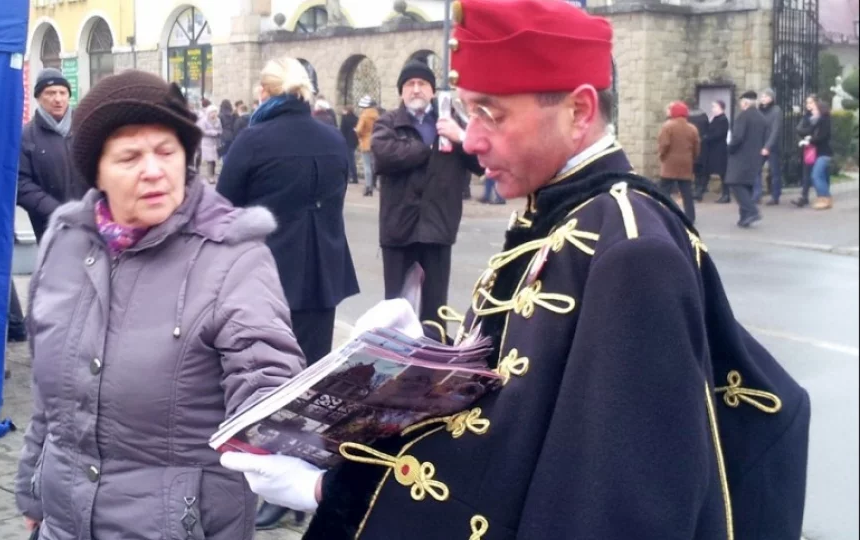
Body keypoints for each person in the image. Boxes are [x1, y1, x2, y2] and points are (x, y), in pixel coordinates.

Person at [220, 2, 810, 539]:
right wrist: (416, 371)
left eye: (491, 114)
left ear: (578, 110)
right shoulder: (558, 216)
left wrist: (333, 492)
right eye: (467, 110)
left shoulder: (633, 252)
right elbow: (515, 420)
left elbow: (613, 507)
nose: (471, 139)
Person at [12, 70, 304, 540]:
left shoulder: (233, 256)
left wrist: (312, 416)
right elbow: (48, 396)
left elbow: (266, 377)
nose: (153, 169)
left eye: (166, 151)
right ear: (97, 171)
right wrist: (33, 489)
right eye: (129, 156)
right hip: (63, 522)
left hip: (176, 525)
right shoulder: (63, 244)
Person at [216, 57, 360, 530]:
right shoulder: (331, 137)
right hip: (324, 273)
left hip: (269, 274)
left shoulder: (254, 139)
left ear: (265, 92)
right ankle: (309, 479)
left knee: (271, 383)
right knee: (312, 384)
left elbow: (224, 205)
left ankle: (280, 486)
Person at [371, 59, 484, 339]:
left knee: (435, 313)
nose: (416, 89)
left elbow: (482, 163)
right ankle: (394, 368)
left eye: (423, 84)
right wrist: (429, 147)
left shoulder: (452, 121)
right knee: (396, 310)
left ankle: (432, 371)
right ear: (401, 92)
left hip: (437, 228)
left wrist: (461, 138)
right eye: (410, 84)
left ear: (433, 91)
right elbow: (385, 155)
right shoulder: (388, 122)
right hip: (398, 229)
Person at [17, 68, 87, 242]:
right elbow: (22, 184)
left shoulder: (86, 127)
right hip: (50, 225)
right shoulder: (26, 136)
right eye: (50, 93)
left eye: (62, 93)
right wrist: (56, 210)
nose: (58, 99)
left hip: (89, 219)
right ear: (39, 97)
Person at [725, 91, 768, 228]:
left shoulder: (743, 116)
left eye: (741, 104)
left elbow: (737, 137)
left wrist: (729, 148)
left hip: (740, 157)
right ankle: (744, 218)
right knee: (746, 185)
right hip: (755, 157)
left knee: (735, 183)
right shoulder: (761, 118)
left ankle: (752, 211)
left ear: (745, 103)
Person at [657, 100, 700, 223]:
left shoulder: (668, 126)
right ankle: (690, 217)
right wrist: (692, 158)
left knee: (664, 190)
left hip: (670, 163)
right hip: (686, 163)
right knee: (686, 192)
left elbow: (664, 144)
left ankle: (663, 213)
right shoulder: (692, 128)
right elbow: (696, 147)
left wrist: (662, 156)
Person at [806, 98, 834, 210]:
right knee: (822, 176)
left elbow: (822, 137)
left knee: (816, 176)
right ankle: (824, 198)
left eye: (815, 108)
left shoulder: (824, 121)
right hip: (822, 152)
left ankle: (824, 197)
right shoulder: (820, 120)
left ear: (820, 110)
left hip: (824, 153)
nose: (812, 110)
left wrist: (810, 140)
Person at [792, 94, 819, 208]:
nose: (808, 105)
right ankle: (804, 197)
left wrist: (807, 134)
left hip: (817, 147)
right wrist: (802, 139)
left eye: (811, 102)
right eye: (807, 103)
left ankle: (822, 196)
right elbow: (798, 130)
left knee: (817, 174)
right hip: (807, 148)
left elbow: (818, 132)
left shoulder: (820, 116)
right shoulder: (806, 117)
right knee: (806, 173)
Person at [757, 88, 783, 205]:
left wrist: (767, 146)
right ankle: (756, 195)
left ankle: (775, 196)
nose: (763, 99)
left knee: (774, 172)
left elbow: (775, 130)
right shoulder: (759, 111)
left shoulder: (776, 110)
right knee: (755, 170)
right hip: (759, 145)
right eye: (762, 96)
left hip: (771, 146)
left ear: (772, 98)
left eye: (766, 96)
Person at [704, 100, 731, 203]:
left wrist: (707, 137)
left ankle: (726, 194)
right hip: (713, 150)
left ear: (721, 108)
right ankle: (701, 190)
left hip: (720, 150)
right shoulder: (715, 119)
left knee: (722, 173)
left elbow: (718, 133)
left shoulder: (723, 119)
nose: (712, 109)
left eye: (714, 107)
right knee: (708, 171)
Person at [355, 95, 380, 196]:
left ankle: (368, 187)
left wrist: (359, 135)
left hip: (366, 142)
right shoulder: (377, 115)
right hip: (376, 141)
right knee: (375, 165)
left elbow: (359, 129)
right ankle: (376, 184)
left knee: (367, 166)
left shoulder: (364, 115)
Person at [686, 98, 710, 201]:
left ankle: (692, 191)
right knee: (700, 170)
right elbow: (707, 129)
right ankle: (699, 190)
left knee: (691, 170)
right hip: (702, 145)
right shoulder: (704, 115)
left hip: (690, 146)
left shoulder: (687, 118)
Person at [197, 104, 222, 184]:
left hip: (215, 142)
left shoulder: (218, 120)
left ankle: (212, 175)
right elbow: (202, 131)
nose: (214, 114)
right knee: (209, 160)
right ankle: (210, 177)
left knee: (214, 160)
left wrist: (219, 133)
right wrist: (213, 132)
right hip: (207, 142)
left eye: (215, 112)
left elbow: (220, 129)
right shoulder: (204, 120)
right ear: (209, 112)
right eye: (212, 112)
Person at [340, 105, 360, 184]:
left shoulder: (345, 118)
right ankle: (354, 176)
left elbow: (342, 130)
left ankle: (349, 177)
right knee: (351, 159)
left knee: (349, 159)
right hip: (354, 141)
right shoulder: (356, 118)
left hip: (347, 141)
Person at [218, 99, 238, 167]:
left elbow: (219, 126)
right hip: (232, 134)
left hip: (224, 134)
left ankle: (225, 166)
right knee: (229, 151)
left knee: (224, 151)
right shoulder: (233, 114)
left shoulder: (220, 115)